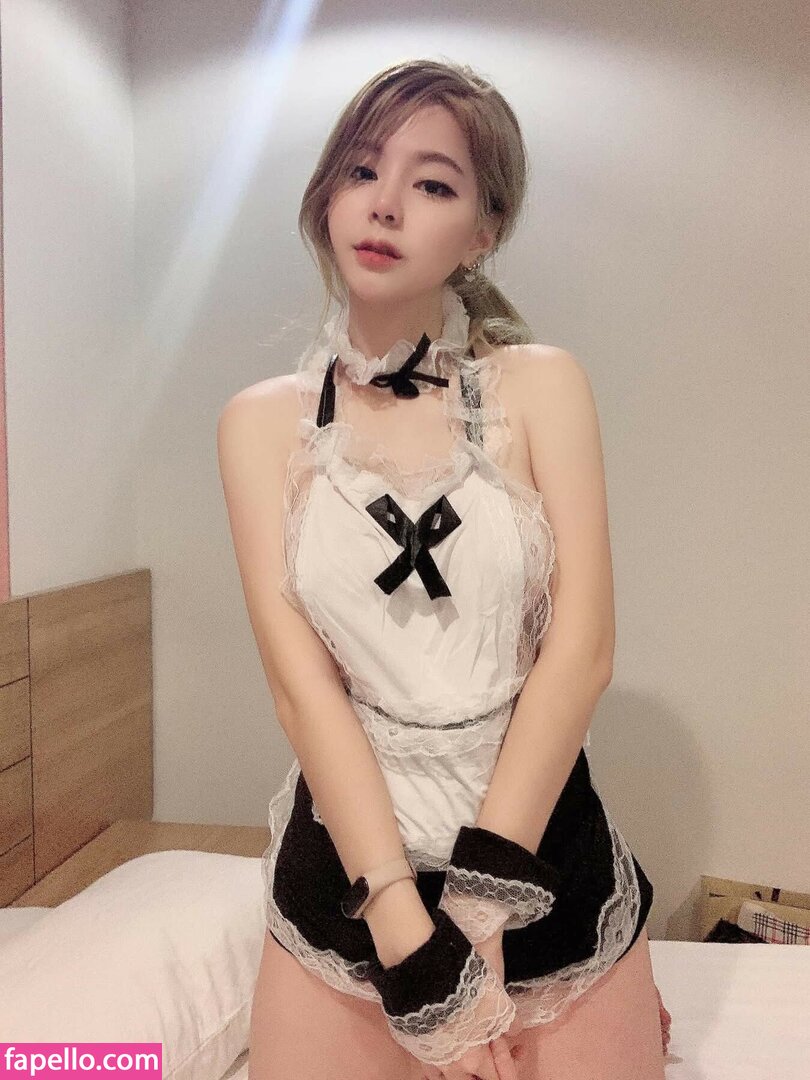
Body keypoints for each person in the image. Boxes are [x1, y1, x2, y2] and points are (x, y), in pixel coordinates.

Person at [218, 58, 672, 1080]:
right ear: (326, 196)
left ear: (483, 231)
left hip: (534, 849)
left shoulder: (541, 388)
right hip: (352, 865)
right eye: (361, 170)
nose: (384, 203)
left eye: (432, 183)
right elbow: (304, 691)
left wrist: (475, 914)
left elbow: (581, 655)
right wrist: (407, 939)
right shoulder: (259, 426)